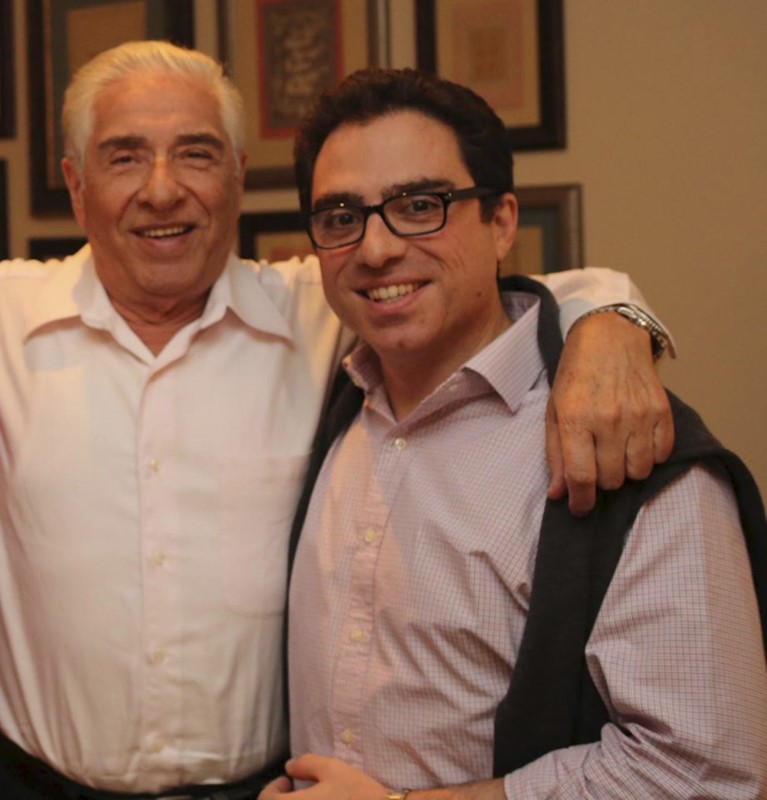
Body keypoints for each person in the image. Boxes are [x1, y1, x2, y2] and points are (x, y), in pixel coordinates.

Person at [0, 41, 672, 799]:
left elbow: (494, 282)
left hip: (269, 786)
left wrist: (611, 325)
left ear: (236, 177)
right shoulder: (8, 319)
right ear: (74, 185)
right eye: (125, 157)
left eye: (196, 154)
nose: (163, 191)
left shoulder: (317, 308)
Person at [261, 68, 767, 799]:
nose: (374, 249)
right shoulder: (333, 402)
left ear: (501, 222)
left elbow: (699, 773)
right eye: (341, 216)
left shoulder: (632, 451)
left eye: (418, 204)